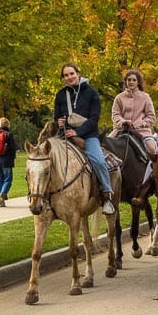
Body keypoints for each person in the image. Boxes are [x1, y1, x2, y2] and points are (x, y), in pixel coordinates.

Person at [54, 63, 116, 215]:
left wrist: (77, 132)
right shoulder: (61, 95)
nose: (69, 77)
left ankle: (106, 196)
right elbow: (56, 116)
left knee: (99, 161)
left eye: (71, 74)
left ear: (78, 74)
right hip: (65, 135)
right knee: (47, 159)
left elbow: (94, 118)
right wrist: (59, 121)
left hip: (88, 136)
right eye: (66, 75)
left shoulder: (91, 93)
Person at [110, 69, 158, 156]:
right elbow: (115, 114)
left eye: (134, 80)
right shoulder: (119, 97)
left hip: (141, 131)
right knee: (104, 146)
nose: (131, 82)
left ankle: (153, 169)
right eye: (129, 80)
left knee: (152, 149)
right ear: (125, 81)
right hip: (120, 130)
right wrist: (123, 122)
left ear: (138, 82)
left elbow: (151, 117)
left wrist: (139, 123)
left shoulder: (145, 97)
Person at [0, 117, 16, 207]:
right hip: (6, 160)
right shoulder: (8, 134)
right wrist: (13, 158)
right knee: (7, 179)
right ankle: (3, 193)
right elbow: (12, 148)